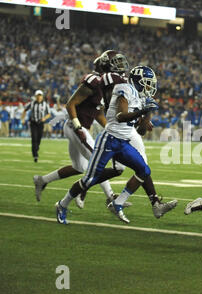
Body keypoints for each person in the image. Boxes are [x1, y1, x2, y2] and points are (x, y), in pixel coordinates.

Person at [55, 65, 177, 225]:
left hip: (123, 143)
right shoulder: (125, 89)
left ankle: (118, 202)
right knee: (89, 180)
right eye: (147, 83)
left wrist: (147, 115)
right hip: (109, 140)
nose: (150, 87)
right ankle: (62, 204)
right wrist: (141, 111)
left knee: (144, 170)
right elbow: (120, 116)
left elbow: (140, 131)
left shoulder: (140, 97)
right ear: (138, 81)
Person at [32, 54, 127, 208]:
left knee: (79, 167)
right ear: (106, 66)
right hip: (75, 126)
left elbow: (96, 112)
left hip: (79, 127)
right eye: (115, 64)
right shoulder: (94, 80)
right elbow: (70, 104)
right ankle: (110, 197)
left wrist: (111, 128)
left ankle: (42, 180)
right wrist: (78, 127)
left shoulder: (105, 85)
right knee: (98, 160)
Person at [21, 90, 51, 162]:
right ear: (35, 96)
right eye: (38, 95)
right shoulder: (32, 103)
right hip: (33, 122)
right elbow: (25, 110)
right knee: (34, 138)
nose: (39, 97)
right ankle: (35, 155)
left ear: (42, 96)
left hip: (41, 123)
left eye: (40, 95)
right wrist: (23, 119)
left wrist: (44, 118)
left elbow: (49, 114)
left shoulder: (45, 104)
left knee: (39, 138)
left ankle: (36, 148)